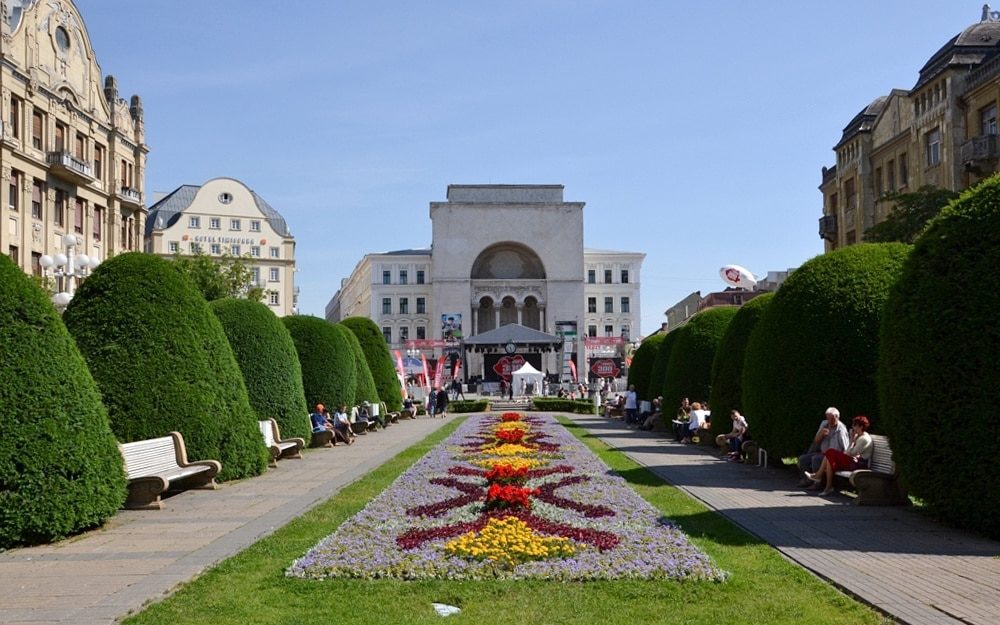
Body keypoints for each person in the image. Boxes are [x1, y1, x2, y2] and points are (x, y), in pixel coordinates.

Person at [805, 415, 873, 495]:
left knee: (830, 452)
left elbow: (849, 453)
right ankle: (827, 487)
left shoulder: (864, 439)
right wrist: (852, 441)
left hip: (859, 465)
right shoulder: (859, 436)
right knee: (829, 459)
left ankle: (818, 476)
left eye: (855, 425)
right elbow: (849, 453)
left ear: (861, 427)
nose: (853, 427)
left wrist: (852, 441)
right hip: (854, 461)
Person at [797, 407, 850, 484]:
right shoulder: (824, 424)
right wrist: (821, 434)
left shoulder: (841, 429)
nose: (830, 421)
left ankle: (817, 484)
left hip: (832, 457)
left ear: (838, 417)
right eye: (828, 419)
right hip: (822, 452)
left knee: (816, 459)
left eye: (832, 419)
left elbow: (846, 448)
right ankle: (806, 480)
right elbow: (816, 441)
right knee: (803, 459)